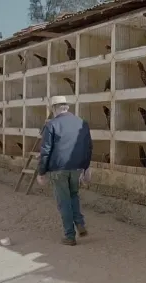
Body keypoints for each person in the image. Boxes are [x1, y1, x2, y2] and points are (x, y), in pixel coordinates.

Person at [37, 95, 93, 246]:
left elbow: (46, 151)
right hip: (77, 168)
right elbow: (88, 147)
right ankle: (79, 223)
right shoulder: (82, 123)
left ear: (54, 109)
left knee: (64, 201)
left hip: (58, 169)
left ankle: (69, 235)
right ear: (67, 107)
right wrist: (86, 167)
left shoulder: (51, 125)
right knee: (73, 195)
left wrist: (41, 172)